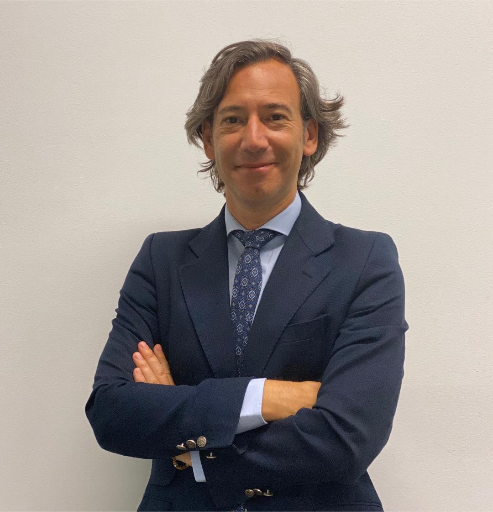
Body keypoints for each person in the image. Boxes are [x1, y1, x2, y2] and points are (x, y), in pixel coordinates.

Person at [86, 40, 408, 512]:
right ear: (208, 140)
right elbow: (112, 412)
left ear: (310, 135)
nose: (253, 139)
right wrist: (267, 397)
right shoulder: (161, 259)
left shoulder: (365, 260)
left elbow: (347, 438)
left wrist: (191, 447)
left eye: (275, 117)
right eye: (233, 120)